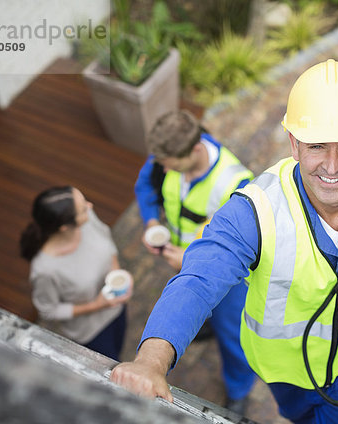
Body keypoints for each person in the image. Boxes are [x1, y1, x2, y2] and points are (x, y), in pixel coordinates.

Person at [112, 59, 338, 423]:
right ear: (294, 145)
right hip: (286, 374)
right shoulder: (255, 210)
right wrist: (150, 362)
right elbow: (198, 281)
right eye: (317, 146)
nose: (332, 166)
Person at [134, 110, 256, 413]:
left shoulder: (236, 184)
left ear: (196, 149)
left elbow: (241, 246)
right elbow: (145, 186)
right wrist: (151, 222)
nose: (162, 168)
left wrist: (189, 259)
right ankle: (206, 323)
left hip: (229, 281)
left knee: (235, 337)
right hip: (184, 260)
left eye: (169, 164)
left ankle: (239, 390)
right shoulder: (168, 156)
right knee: (198, 309)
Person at [19, 186, 132, 361]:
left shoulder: (87, 219)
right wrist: (97, 305)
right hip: (91, 332)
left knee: (120, 346)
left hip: (116, 308)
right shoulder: (45, 269)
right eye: (83, 209)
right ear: (64, 227)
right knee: (111, 365)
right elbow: (48, 311)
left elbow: (105, 236)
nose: (90, 205)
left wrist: (117, 273)